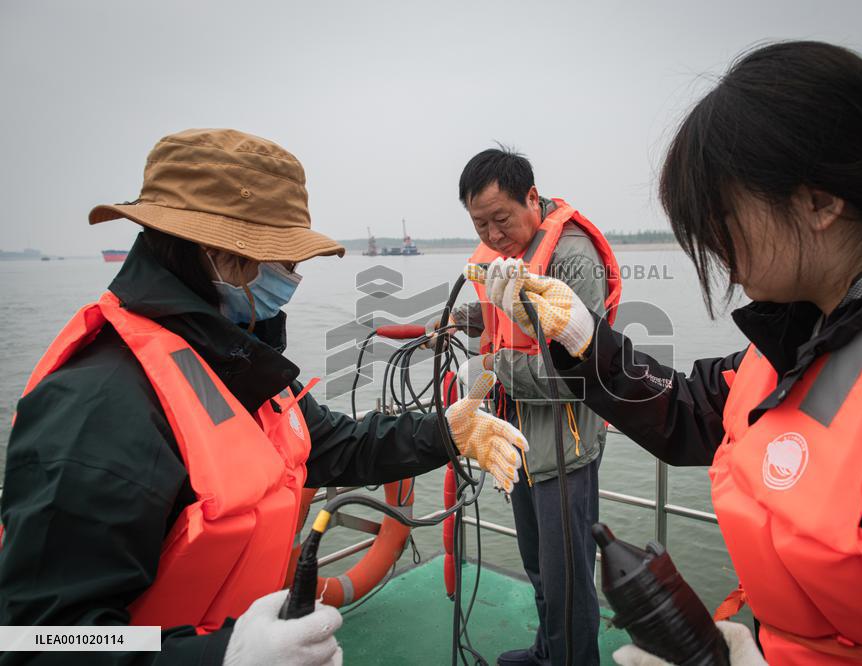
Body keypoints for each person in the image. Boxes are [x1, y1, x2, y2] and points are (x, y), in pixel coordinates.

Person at [479, 41, 862, 665]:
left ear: (820, 200)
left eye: (719, 214)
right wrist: (583, 340)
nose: (710, 242)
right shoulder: (812, 331)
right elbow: (695, 410)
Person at [0, 128, 528, 666]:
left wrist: (447, 431)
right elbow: (40, 639)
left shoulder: (234, 361)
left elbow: (334, 445)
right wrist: (223, 657)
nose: (294, 278)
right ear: (219, 254)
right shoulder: (99, 406)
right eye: (285, 260)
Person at [447, 148, 622, 666]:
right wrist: (464, 319)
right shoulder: (503, 255)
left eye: (501, 219)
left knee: (568, 577)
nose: (494, 235)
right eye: (481, 224)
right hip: (517, 438)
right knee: (538, 564)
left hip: (563, 446)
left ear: (531, 197)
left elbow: (577, 375)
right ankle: (548, 651)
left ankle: (573, 659)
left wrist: (495, 368)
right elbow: (507, 324)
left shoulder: (571, 256)